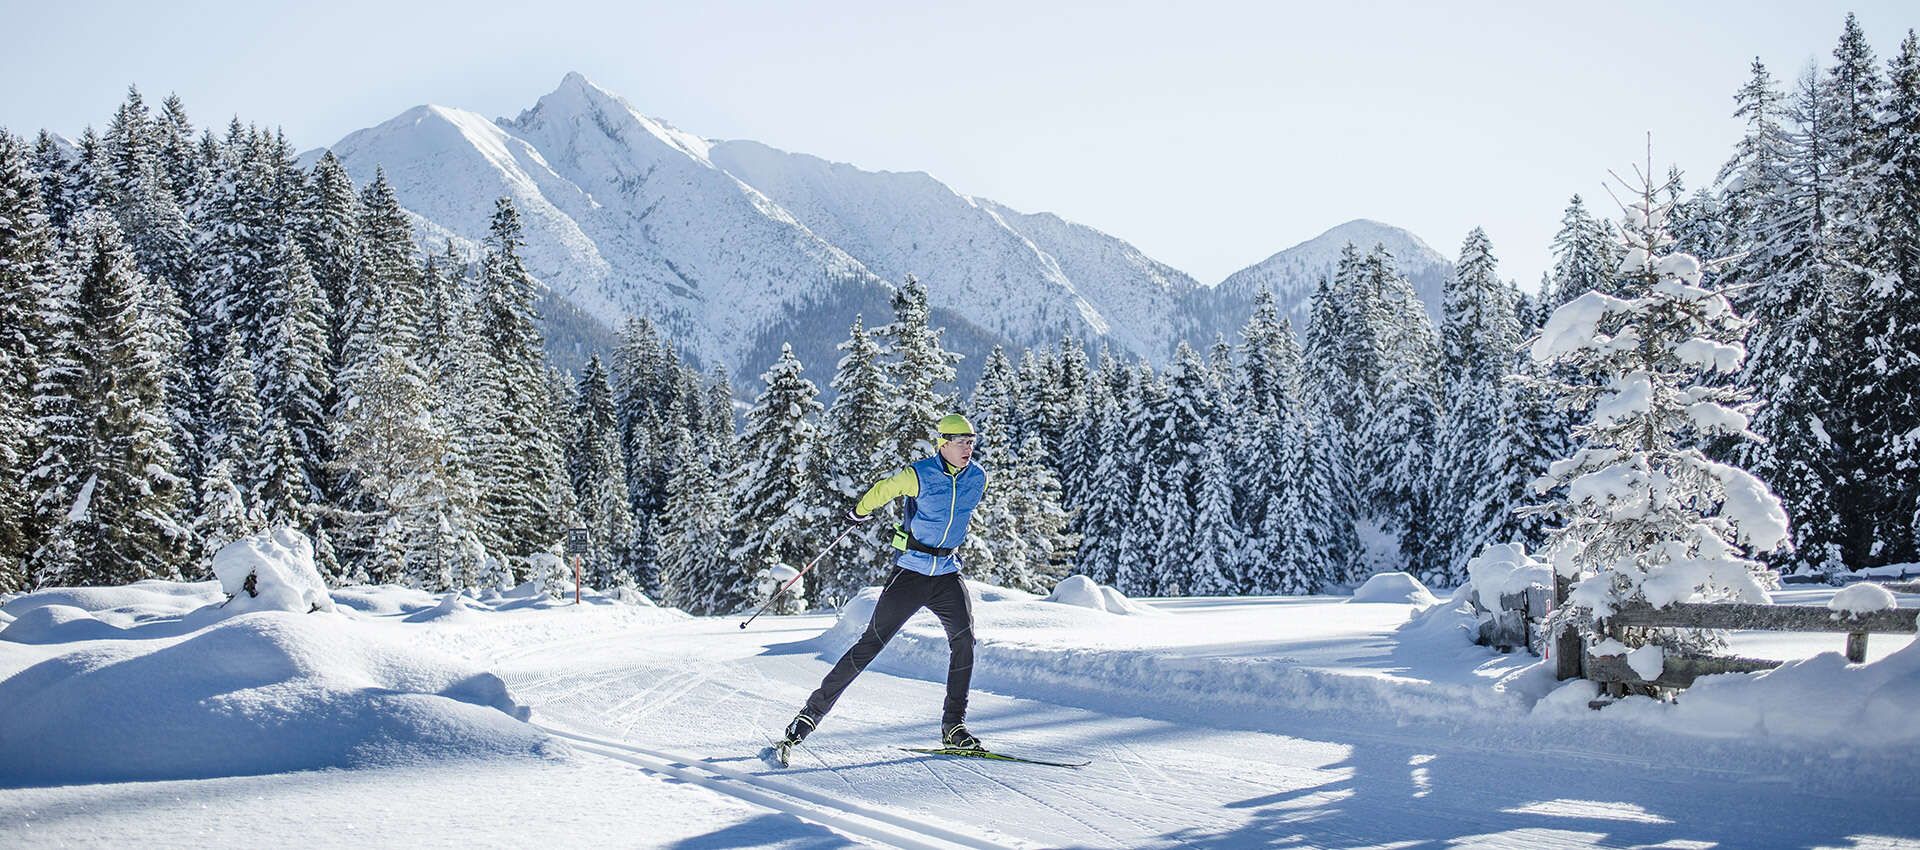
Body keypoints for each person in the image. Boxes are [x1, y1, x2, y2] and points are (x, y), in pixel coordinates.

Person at [781, 413, 990, 751]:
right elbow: (884, 490)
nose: (968, 448)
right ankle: (809, 716)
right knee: (869, 646)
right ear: (943, 443)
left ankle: (954, 727)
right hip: (911, 573)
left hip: (948, 573)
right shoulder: (919, 475)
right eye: (961, 442)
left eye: (971, 442)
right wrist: (859, 512)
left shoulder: (978, 477)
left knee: (964, 642)